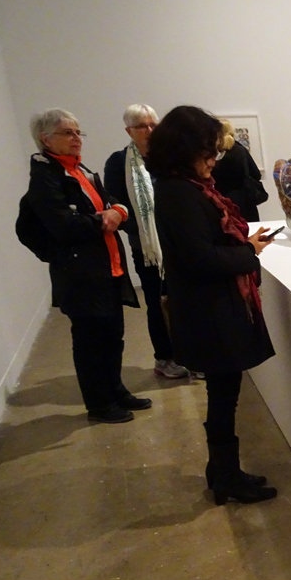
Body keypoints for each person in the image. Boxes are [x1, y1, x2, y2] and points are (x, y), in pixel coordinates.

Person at [146, 105, 277, 505]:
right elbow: (200, 259)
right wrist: (249, 252)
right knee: (224, 393)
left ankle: (222, 471)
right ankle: (226, 478)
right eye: (208, 152)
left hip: (211, 307)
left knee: (225, 392)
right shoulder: (180, 192)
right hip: (210, 311)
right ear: (185, 150)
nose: (214, 160)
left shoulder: (184, 186)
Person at [21, 109, 151, 423]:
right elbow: (63, 226)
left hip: (107, 267)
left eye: (78, 132)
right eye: (68, 132)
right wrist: (103, 219)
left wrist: (116, 211)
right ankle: (99, 404)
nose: (76, 138)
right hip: (80, 273)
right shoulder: (46, 177)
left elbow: (114, 203)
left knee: (113, 335)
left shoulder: (81, 170)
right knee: (91, 341)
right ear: (45, 139)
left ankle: (116, 390)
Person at [104, 104, 194, 379]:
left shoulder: (170, 158)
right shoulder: (119, 163)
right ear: (129, 131)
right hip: (147, 248)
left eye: (154, 124)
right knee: (157, 302)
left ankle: (192, 354)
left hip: (178, 243)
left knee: (186, 300)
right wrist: (145, 227)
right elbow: (116, 202)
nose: (150, 131)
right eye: (142, 126)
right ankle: (165, 358)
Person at [211, 120, 269, 223]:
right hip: (245, 199)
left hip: (221, 199)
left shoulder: (213, 153)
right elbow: (256, 174)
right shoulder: (240, 150)